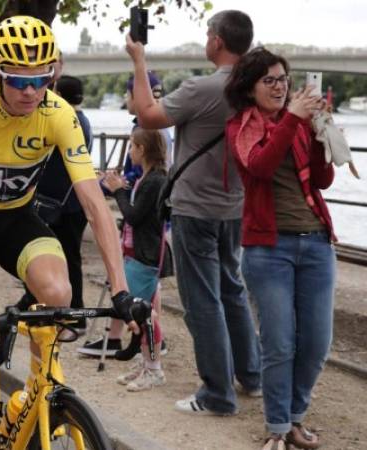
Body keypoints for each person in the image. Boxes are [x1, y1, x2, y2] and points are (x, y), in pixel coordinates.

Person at [0, 16, 138, 450]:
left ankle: (41, 393)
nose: (31, 92)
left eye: (42, 79)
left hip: (16, 218)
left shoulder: (58, 114)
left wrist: (121, 290)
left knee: (58, 293)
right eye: (18, 80)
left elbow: (94, 204)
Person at [125, 9, 262, 416]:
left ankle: (217, 393)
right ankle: (251, 376)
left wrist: (138, 60)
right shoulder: (255, 86)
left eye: (207, 33)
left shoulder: (204, 87)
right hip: (235, 207)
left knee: (202, 300)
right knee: (232, 289)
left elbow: (148, 117)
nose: (206, 39)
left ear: (218, 41)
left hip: (195, 208)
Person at [225, 47, 335, 450]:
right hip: (267, 250)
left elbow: (322, 181)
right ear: (250, 87)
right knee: (280, 344)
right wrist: (293, 119)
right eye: (268, 80)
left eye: (283, 79)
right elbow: (260, 167)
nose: (279, 86)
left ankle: (294, 417)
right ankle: (278, 425)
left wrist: (322, 132)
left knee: (317, 343)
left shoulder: (300, 125)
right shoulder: (240, 127)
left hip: (317, 243)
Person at [78, 70, 172, 357]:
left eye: (127, 94)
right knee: (143, 294)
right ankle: (139, 342)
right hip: (142, 241)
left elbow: (136, 210)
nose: (125, 99)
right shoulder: (156, 130)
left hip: (145, 245)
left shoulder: (151, 146)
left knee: (133, 293)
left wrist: (117, 189)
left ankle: (143, 346)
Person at [16, 75, 93, 334]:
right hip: (67, 204)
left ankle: (73, 314)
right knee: (62, 257)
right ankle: (44, 306)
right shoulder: (81, 121)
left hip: (65, 205)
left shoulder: (72, 122)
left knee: (67, 259)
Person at [101, 127, 169, 391]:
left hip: (145, 255)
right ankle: (147, 365)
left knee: (143, 314)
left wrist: (118, 191)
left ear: (142, 149)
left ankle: (153, 368)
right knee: (146, 311)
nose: (130, 151)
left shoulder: (154, 180)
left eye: (132, 146)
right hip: (140, 252)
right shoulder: (150, 177)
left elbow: (134, 215)